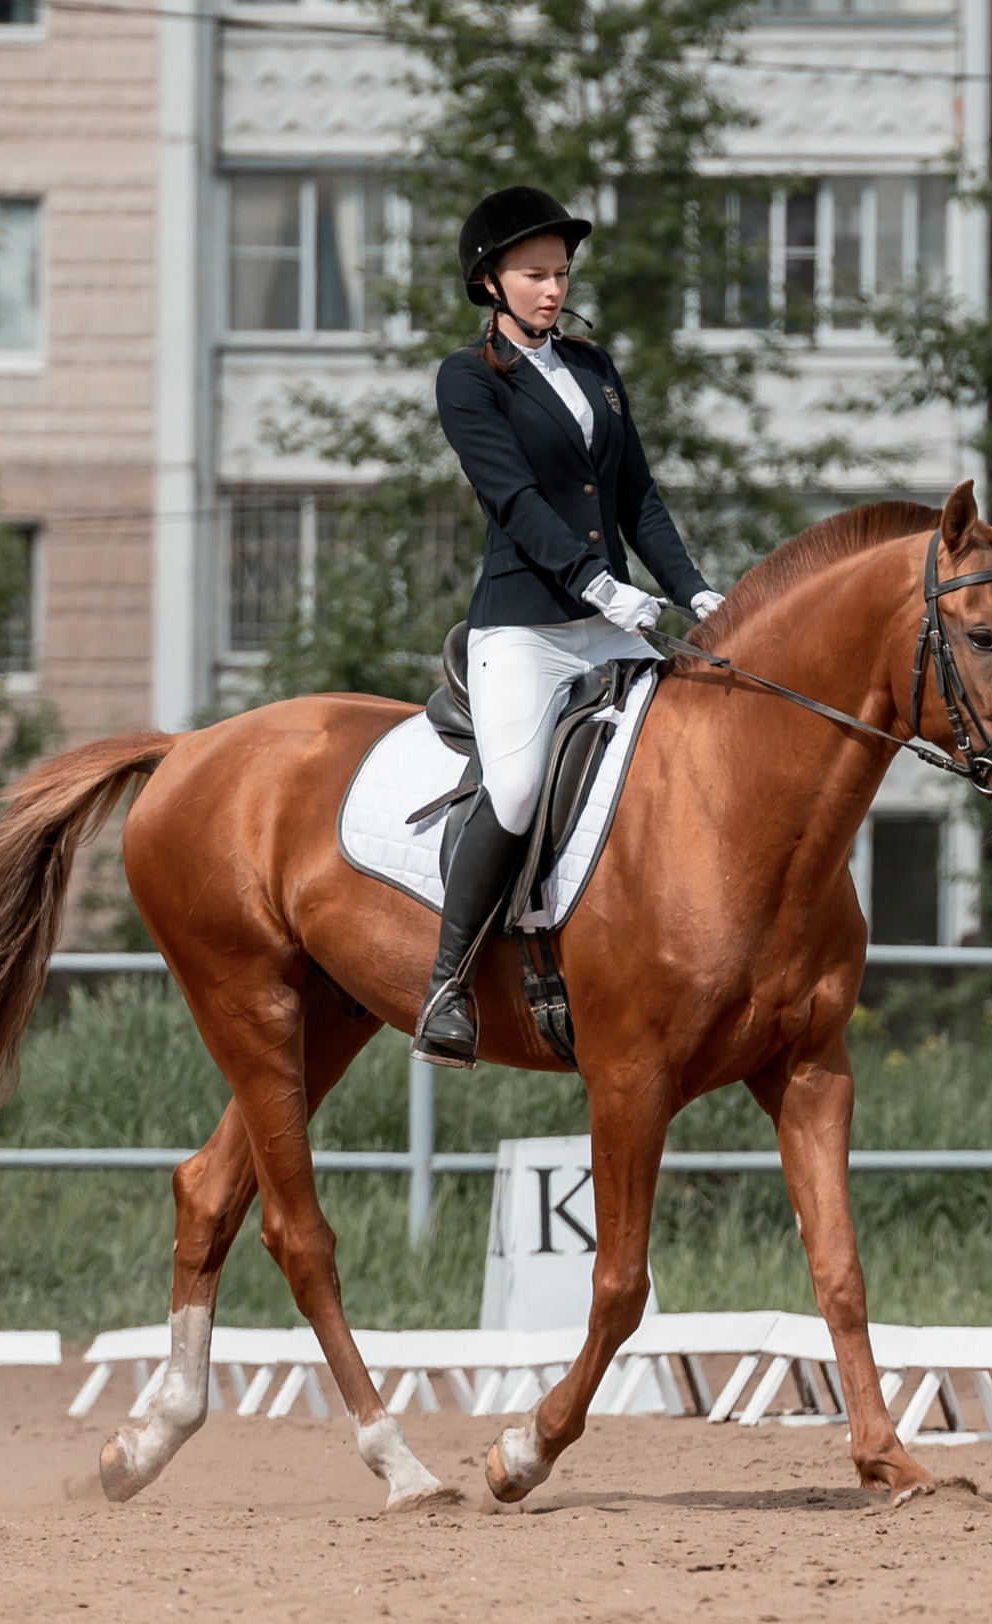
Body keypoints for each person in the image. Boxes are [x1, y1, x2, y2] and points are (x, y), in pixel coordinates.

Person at [412, 186, 725, 1067]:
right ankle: (448, 980)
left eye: (561, 273)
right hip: (527, 629)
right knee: (514, 792)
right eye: (535, 274)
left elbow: (638, 499)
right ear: (490, 282)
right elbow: (512, 500)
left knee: (694, 750)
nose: (553, 289)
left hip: (614, 619)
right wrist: (595, 583)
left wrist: (696, 593)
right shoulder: (467, 378)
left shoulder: (593, 368)